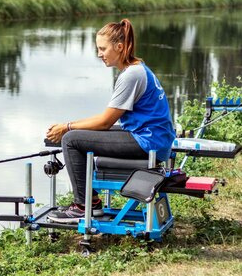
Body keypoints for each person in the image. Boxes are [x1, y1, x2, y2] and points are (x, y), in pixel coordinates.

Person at [45, 18, 175, 224]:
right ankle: (90, 202)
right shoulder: (138, 67)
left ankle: (83, 205)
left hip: (148, 142)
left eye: (103, 49)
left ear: (119, 47)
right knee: (78, 135)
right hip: (153, 139)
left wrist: (66, 126)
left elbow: (104, 122)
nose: (99, 54)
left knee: (70, 140)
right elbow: (107, 122)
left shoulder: (131, 75)